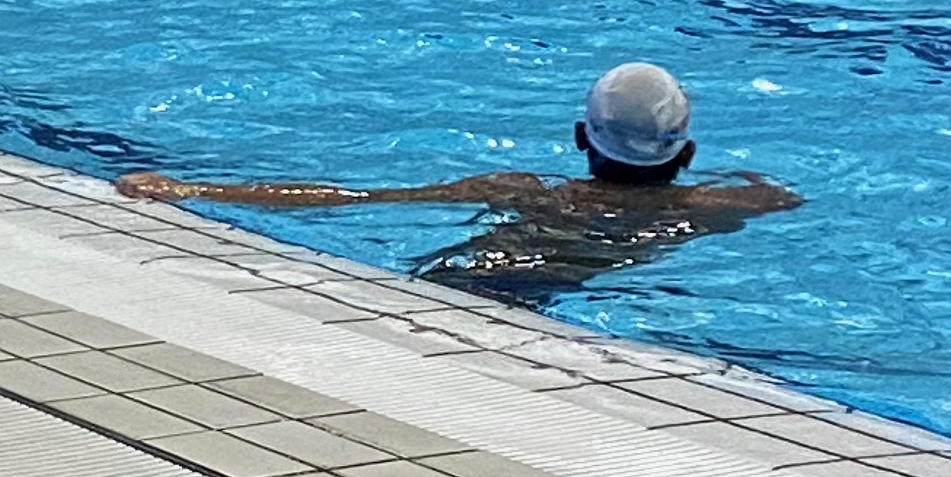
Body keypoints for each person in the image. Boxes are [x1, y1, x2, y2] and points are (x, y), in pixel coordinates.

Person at [117, 62, 798, 305]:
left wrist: (193, 191)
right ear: (687, 151)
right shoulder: (723, 205)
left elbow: (355, 200)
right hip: (546, 297)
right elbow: (779, 195)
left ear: (580, 137)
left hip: (465, 280)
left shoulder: (526, 190)